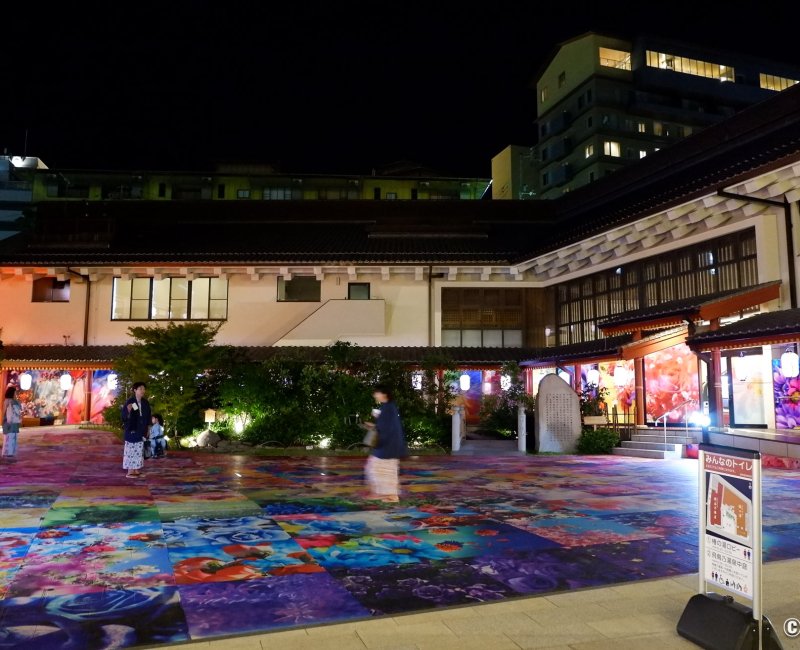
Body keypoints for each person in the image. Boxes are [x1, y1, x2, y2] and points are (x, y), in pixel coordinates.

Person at [364, 384, 408, 503]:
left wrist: (375, 425)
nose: (375, 395)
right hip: (389, 445)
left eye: (376, 393)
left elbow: (387, 427)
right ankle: (387, 494)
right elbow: (386, 425)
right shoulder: (388, 407)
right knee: (384, 469)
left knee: (378, 468)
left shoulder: (388, 408)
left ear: (384, 394)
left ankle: (388, 494)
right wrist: (375, 425)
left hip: (388, 445)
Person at [120, 381, 151, 478]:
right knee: (131, 449)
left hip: (142, 429)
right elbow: (124, 416)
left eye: (144, 389)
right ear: (135, 390)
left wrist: (149, 427)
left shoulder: (145, 402)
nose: (143, 391)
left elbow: (148, 415)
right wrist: (128, 412)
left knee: (139, 449)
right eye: (140, 389)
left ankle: (136, 469)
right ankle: (130, 471)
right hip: (132, 429)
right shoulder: (131, 402)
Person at [2, 386, 22, 461]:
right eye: (15, 392)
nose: (16, 393)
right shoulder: (13, 401)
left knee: (7, 438)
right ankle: (10, 453)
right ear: (12, 393)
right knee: (12, 438)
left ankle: (6, 452)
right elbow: (18, 411)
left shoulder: (6, 401)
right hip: (12, 422)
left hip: (7, 421)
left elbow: (4, 412)